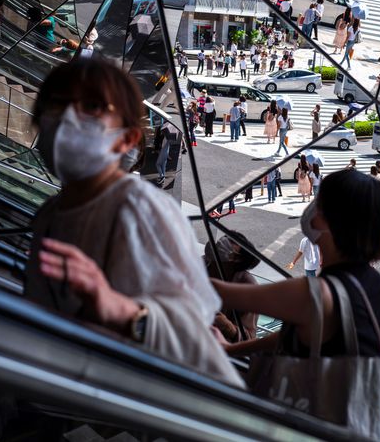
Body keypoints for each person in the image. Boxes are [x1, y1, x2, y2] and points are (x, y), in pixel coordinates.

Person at [25, 59, 241, 385]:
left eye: (92, 106)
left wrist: (116, 308)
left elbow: (195, 328)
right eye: (55, 105)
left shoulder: (142, 211)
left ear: (127, 139)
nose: (68, 118)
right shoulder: (51, 214)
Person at [214, 170, 380, 439]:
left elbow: (222, 293)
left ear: (333, 218)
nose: (312, 208)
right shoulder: (373, 284)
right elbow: (288, 337)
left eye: (320, 202)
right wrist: (232, 349)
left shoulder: (316, 293)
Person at [205, 233, 260, 343]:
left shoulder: (247, 287)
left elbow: (249, 339)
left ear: (237, 258)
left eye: (231, 242)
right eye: (226, 237)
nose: (222, 241)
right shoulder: (200, 264)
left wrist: (228, 327)